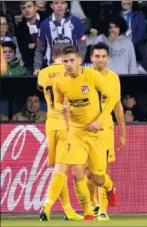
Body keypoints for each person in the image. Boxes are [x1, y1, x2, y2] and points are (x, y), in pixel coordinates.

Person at [41, 44, 119, 221]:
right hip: (75, 132)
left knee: (97, 177)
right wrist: (64, 108)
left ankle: (110, 187)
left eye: (71, 61)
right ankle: (88, 212)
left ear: (79, 60)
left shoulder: (92, 76)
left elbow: (112, 97)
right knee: (77, 172)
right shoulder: (59, 81)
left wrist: (99, 120)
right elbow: (57, 103)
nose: (68, 64)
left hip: (94, 132)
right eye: (65, 61)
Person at [37, 43, 83, 221]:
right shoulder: (69, 73)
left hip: (50, 124)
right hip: (67, 125)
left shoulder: (43, 73)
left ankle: (67, 209)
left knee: (59, 167)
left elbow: (40, 87)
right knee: (62, 168)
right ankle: (47, 206)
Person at [85, 42, 127, 221]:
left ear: (107, 58)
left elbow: (117, 106)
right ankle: (93, 204)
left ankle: (102, 210)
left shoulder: (113, 78)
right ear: (91, 58)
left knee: (101, 171)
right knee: (87, 174)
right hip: (85, 130)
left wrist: (122, 133)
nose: (100, 60)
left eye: (103, 57)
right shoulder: (84, 76)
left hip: (104, 129)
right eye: (97, 56)